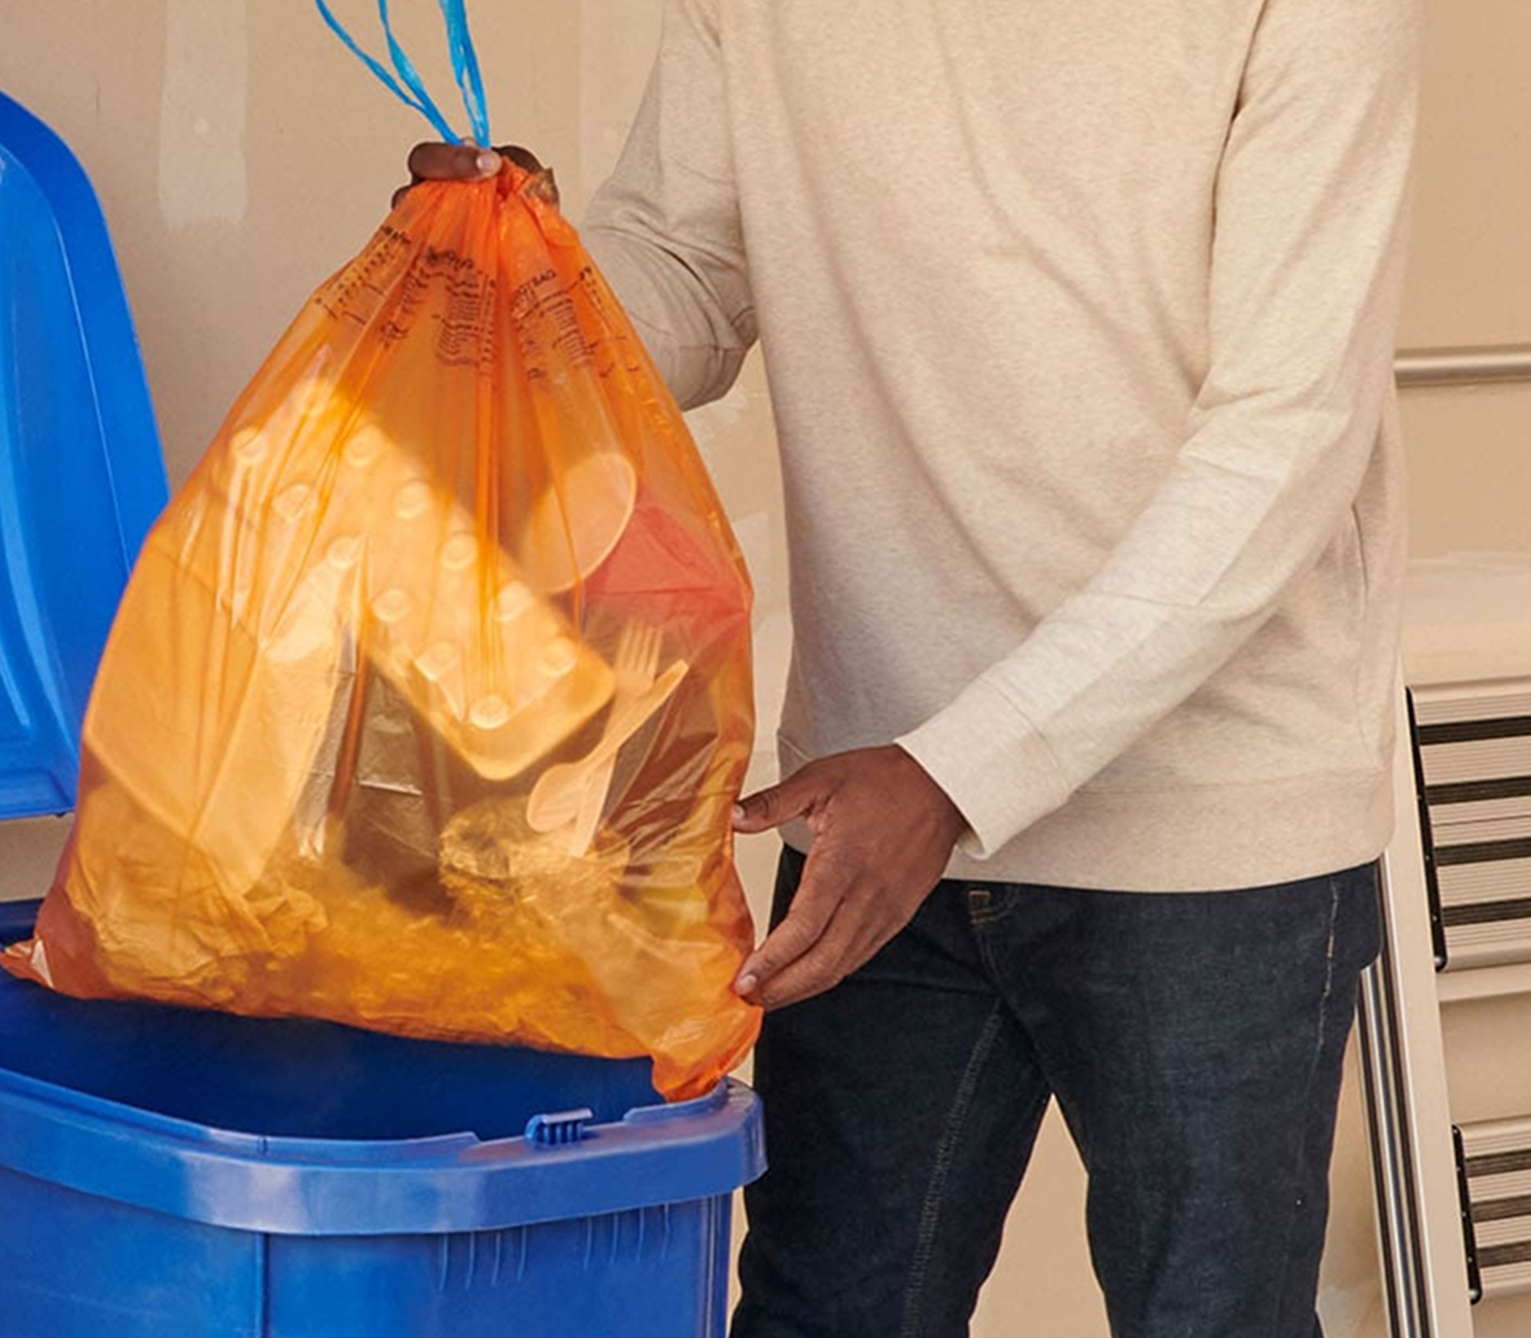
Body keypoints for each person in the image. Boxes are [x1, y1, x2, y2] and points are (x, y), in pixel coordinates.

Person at [406, 0, 1423, 1332]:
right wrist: (529, 280)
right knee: (826, 1312)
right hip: (877, 806)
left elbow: (1282, 451)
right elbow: (691, 275)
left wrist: (953, 775)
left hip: (1206, 831)